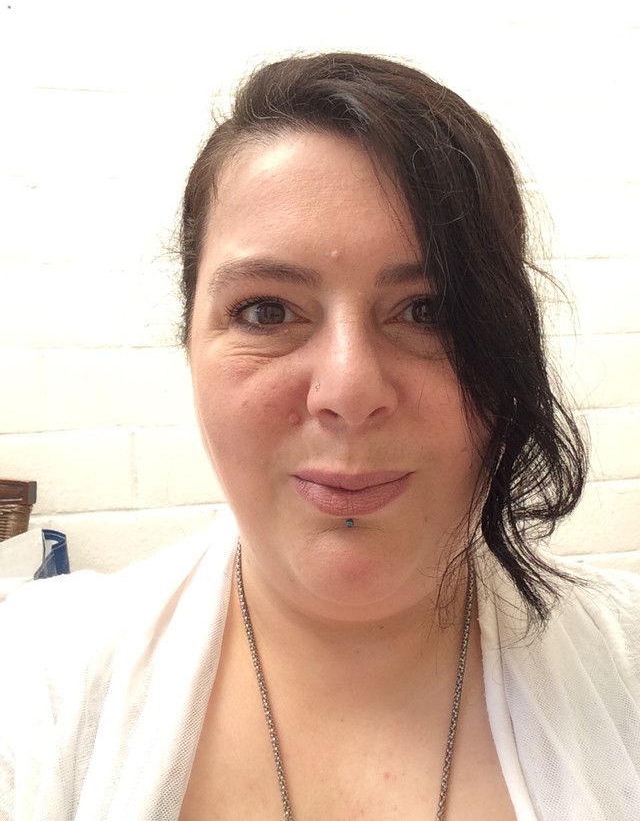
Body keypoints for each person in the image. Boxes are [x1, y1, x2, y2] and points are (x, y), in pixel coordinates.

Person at [0, 52, 638, 821]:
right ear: (190, 341)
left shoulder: (626, 668)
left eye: (427, 310)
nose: (348, 391)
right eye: (267, 310)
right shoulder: (34, 687)